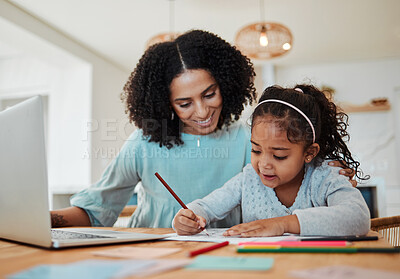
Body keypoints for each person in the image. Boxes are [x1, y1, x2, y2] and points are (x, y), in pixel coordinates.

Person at [51, 30, 355, 229]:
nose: (202, 111)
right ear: (165, 104)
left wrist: (323, 168)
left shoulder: (247, 139)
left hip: (223, 259)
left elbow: (294, 167)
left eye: (209, 94)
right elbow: (96, 210)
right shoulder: (143, 143)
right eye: (184, 103)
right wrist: (46, 220)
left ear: (225, 83)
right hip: (150, 255)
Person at [173, 84, 370, 236]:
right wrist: (188, 217)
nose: (264, 164)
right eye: (256, 150)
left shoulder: (325, 176)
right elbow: (207, 207)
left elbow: (358, 218)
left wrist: (281, 223)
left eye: (279, 155)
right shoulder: (248, 178)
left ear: (309, 152)